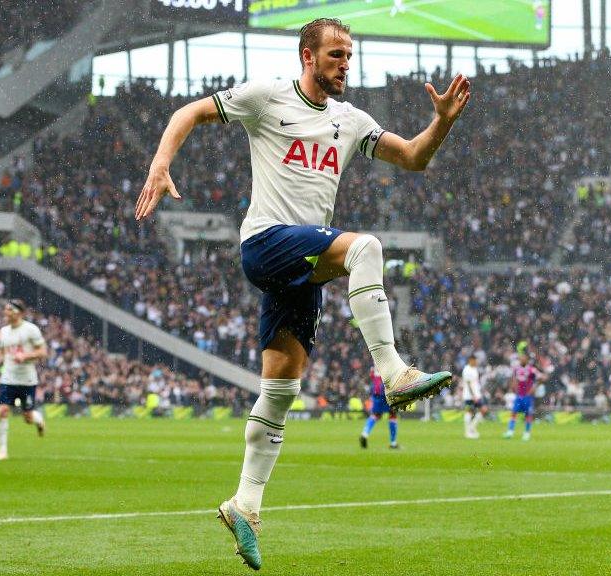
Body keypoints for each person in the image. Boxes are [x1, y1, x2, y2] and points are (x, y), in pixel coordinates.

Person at [134, 17, 471, 570]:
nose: (345, 63)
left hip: (303, 265)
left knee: (282, 389)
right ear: (307, 56)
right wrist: (162, 160)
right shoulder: (267, 97)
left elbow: (413, 157)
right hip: (266, 242)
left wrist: (442, 124)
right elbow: (188, 112)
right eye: (336, 54)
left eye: (350, 55)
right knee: (365, 248)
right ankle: (394, 373)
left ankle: (244, 504)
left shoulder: (350, 120)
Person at [0, 299, 49, 460]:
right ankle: (2, 451)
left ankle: (38, 421)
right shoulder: (4, 331)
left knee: (27, 417)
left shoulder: (31, 330)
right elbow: (2, 352)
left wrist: (26, 356)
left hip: (27, 380)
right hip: (8, 378)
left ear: (18, 312)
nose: (5, 313)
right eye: (5, 309)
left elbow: (43, 351)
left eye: (9, 310)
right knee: (2, 411)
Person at [360, 366, 399, 449]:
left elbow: (371, 376)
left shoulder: (374, 365)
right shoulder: (388, 362)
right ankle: (393, 443)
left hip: (376, 392)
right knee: (392, 415)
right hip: (387, 391)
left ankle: (365, 433)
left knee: (376, 415)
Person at [503, 352, 539, 441]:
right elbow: (514, 379)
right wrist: (514, 388)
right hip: (519, 396)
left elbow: (537, 380)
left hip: (527, 396)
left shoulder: (531, 370)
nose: (521, 360)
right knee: (514, 413)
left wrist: (532, 390)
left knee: (528, 415)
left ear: (526, 360)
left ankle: (527, 433)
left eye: (523, 358)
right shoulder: (516, 369)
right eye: (520, 358)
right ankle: (510, 432)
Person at [461, 355, 486, 439]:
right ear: (470, 360)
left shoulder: (474, 369)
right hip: (469, 395)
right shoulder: (466, 369)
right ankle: (468, 432)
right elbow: (468, 384)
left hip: (476, 395)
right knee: (469, 412)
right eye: (474, 360)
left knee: (483, 410)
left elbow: (475, 383)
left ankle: (472, 428)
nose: (476, 362)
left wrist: (478, 393)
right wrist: (473, 395)